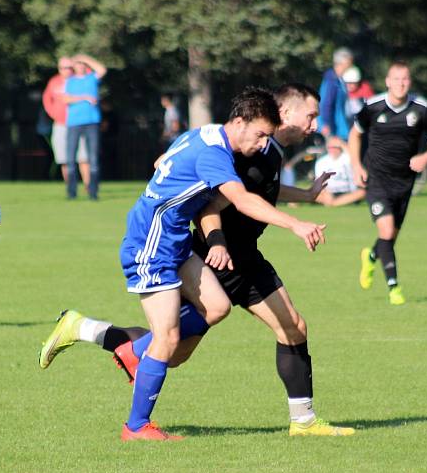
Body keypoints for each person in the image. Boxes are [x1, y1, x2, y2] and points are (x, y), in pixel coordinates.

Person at [40, 85, 354, 438]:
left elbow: (183, 166)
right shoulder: (218, 154)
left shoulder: (208, 136)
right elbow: (238, 198)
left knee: (213, 311)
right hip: (152, 243)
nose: (263, 143)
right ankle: (136, 424)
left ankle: (100, 336)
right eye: (261, 134)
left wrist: (306, 196)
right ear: (241, 121)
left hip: (180, 243)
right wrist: (293, 223)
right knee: (168, 342)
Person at [348, 61, 427, 305]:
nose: (401, 83)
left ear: (409, 82)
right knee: (387, 231)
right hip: (377, 179)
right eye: (396, 79)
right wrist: (356, 166)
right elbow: (354, 134)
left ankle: (371, 257)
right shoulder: (372, 107)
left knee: (389, 237)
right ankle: (394, 288)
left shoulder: (421, 109)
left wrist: (426, 156)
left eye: (405, 79)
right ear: (388, 82)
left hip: (404, 182)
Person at [41, 57, 90, 190]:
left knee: (83, 157)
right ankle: (71, 187)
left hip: (79, 123)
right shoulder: (54, 82)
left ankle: (88, 186)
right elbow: (47, 100)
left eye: (69, 67)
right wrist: (54, 114)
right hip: (61, 124)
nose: (66, 70)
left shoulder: (80, 80)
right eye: (63, 68)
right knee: (64, 158)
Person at [64, 54, 107, 200]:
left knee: (93, 157)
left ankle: (93, 192)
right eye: (78, 64)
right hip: (74, 123)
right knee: (70, 158)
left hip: (91, 122)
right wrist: (84, 98)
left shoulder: (91, 78)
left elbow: (102, 69)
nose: (80, 66)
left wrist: (85, 57)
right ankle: (71, 192)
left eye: (83, 64)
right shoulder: (70, 81)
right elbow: (66, 98)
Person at [314, 137, 366, 207]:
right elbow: (319, 181)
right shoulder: (321, 162)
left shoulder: (347, 157)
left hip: (348, 192)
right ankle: (335, 202)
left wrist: (342, 144)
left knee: (362, 192)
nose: (332, 149)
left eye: (335, 147)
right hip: (330, 192)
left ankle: (333, 203)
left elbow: (354, 156)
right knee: (314, 193)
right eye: (330, 147)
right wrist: (325, 192)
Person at [317, 47, 354, 141]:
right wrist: (326, 125)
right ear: (341, 63)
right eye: (349, 63)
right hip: (334, 131)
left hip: (341, 130)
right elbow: (326, 104)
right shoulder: (331, 81)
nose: (351, 66)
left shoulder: (340, 80)